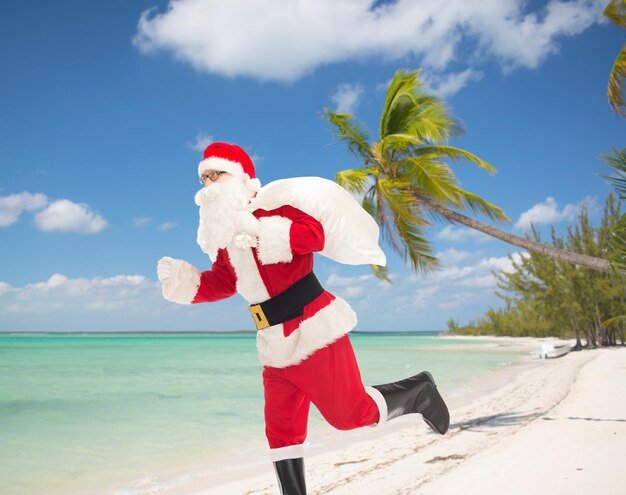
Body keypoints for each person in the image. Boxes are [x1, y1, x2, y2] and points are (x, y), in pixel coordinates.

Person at [157, 142, 450, 495]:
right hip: (272, 344)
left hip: (313, 328)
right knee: (280, 433)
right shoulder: (225, 245)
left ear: (239, 178)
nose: (208, 186)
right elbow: (223, 283)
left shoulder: (271, 210)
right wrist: (182, 284)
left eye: (215, 174)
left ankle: (418, 391)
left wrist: (265, 230)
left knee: (349, 416)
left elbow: (314, 235)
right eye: (203, 178)